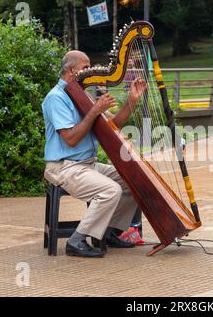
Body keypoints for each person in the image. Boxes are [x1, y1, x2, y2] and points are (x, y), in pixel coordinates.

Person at [42, 50, 147, 258]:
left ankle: (108, 232)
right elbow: (71, 138)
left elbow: (113, 125)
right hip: (65, 167)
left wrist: (131, 101)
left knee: (135, 180)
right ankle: (76, 240)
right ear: (72, 71)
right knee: (111, 190)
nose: (90, 71)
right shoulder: (56, 98)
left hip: (88, 164)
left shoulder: (82, 96)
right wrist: (95, 110)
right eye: (86, 67)